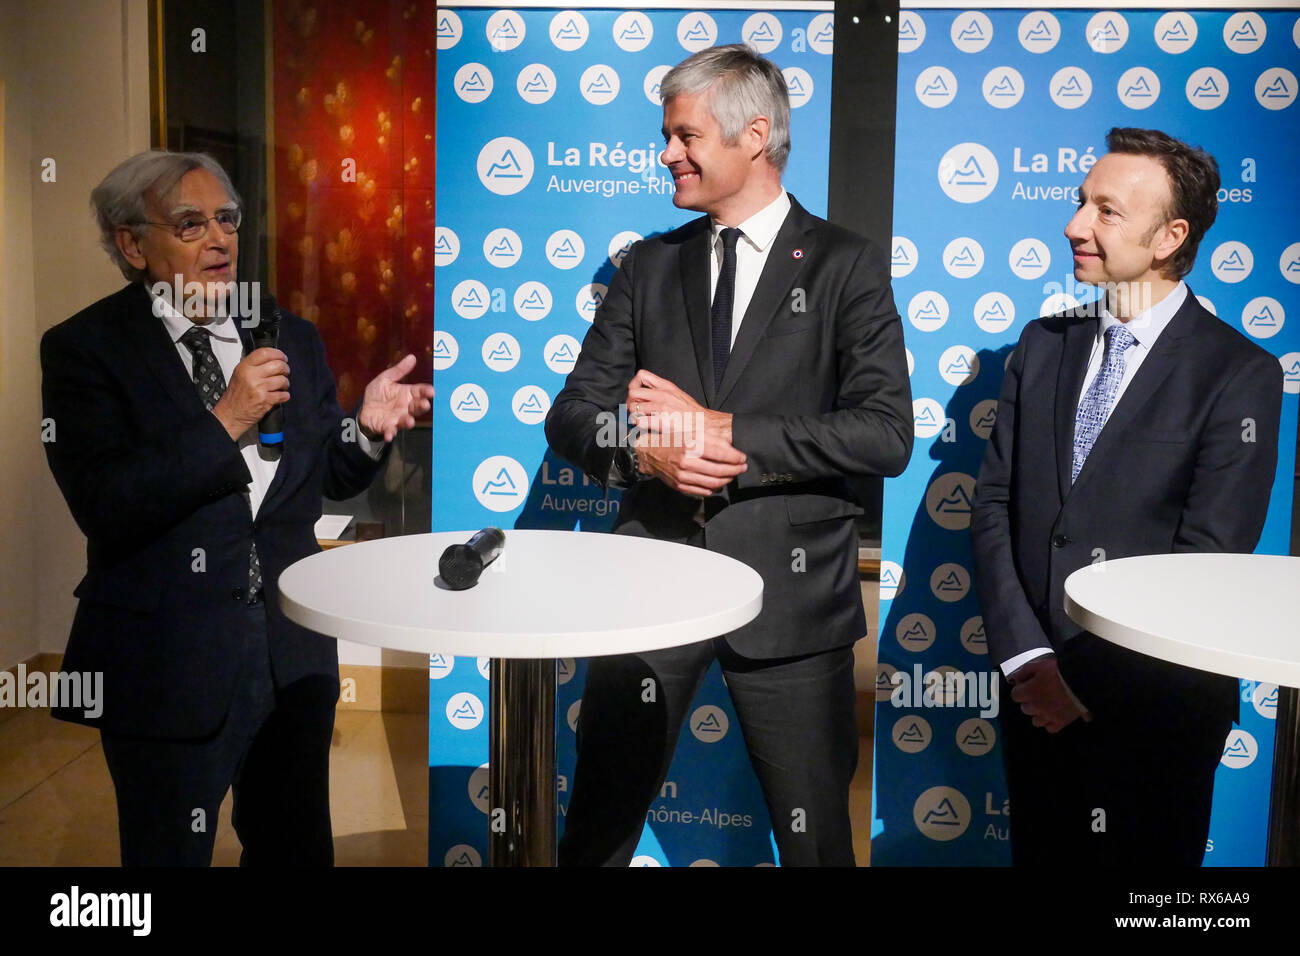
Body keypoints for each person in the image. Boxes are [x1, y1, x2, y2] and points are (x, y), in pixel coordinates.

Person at [545, 45, 912, 866]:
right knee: (598, 830)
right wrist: (648, 454)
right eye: (666, 136)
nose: (667, 154)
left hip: (792, 605)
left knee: (815, 841)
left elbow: (884, 433)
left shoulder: (845, 265)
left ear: (755, 136)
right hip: (651, 593)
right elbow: (571, 418)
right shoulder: (650, 264)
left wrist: (725, 435)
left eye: (684, 136)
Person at [40, 150, 434, 865]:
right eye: (190, 224)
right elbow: (105, 503)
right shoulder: (86, 351)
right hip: (167, 657)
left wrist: (368, 430)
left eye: (227, 218)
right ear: (133, 245)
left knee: (294, 851)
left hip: (291, 652)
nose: (219, 240)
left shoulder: (286, 333)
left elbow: (327, 476)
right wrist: (225, 418)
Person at [970, 127, 1282, 866]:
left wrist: (1077, 684)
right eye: (1082, 203)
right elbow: (993, 509)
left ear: (1171, 235)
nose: (1075, 225)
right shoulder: (1042, 345)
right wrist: (1030, 664)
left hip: (1157, 717)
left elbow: (1205, 563)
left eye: (1105, 211)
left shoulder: (1239, 375)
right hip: (1033, 703)